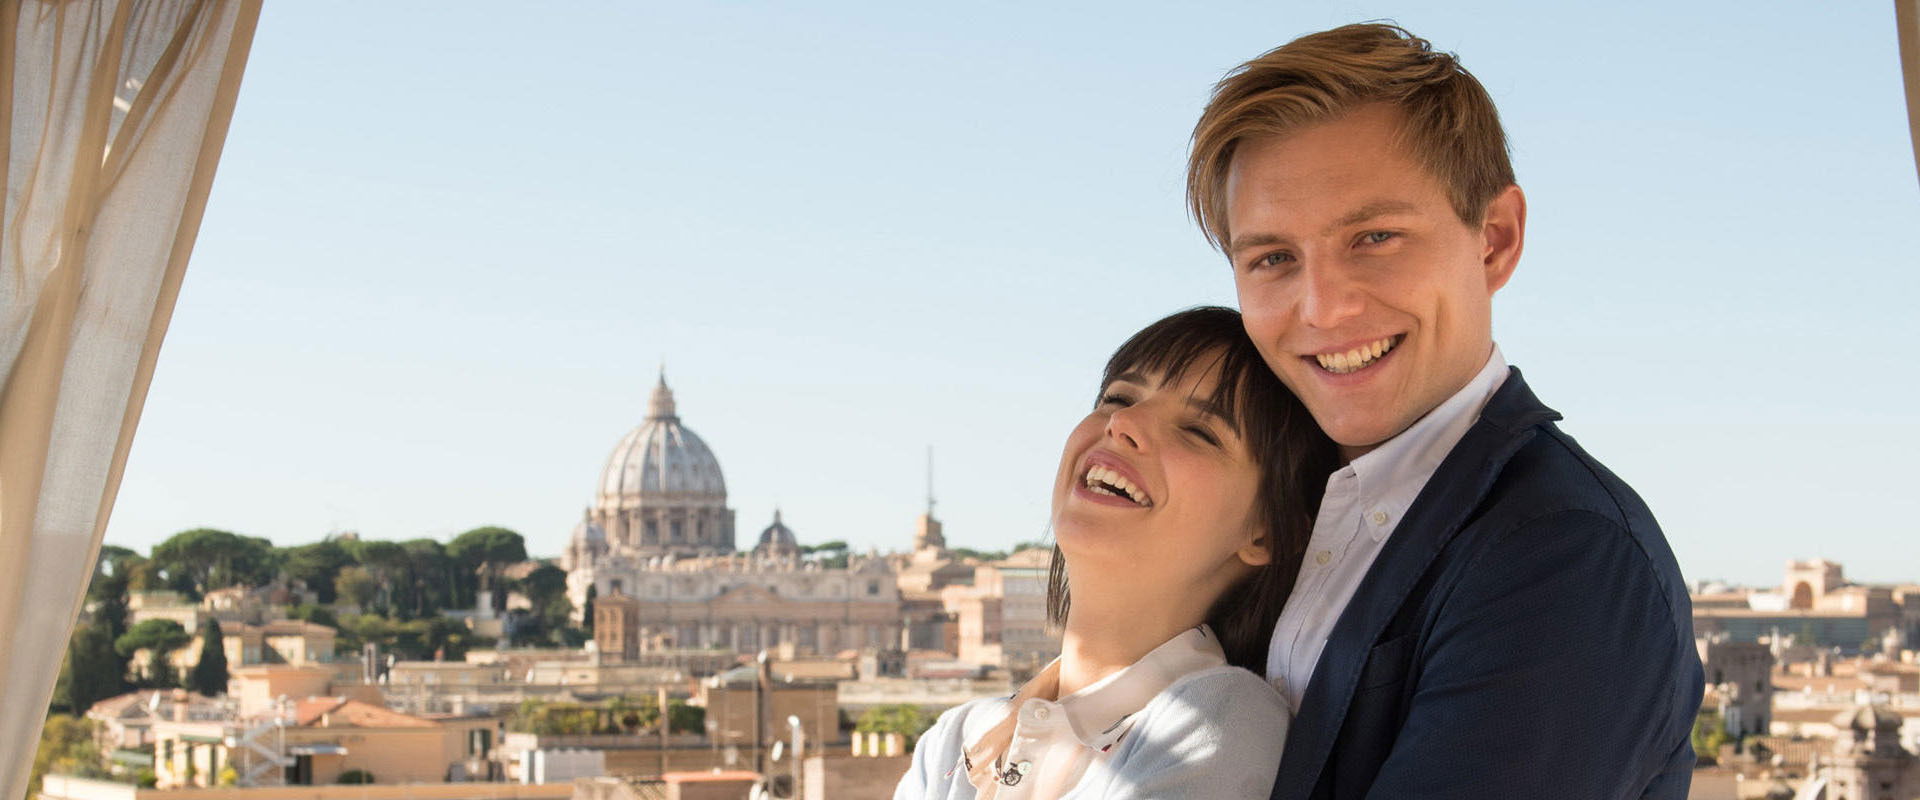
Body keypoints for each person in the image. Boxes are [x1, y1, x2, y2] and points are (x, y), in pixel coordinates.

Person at [1184, 24, 1705, 799]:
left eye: (1375, 237)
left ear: (1495, 240)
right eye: (1273, 259)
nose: (1322, 309)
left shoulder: (1566, 556)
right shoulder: (1272, 504)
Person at [895, 307, 1338, 799]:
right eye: (1118, 397)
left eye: (1198, 431)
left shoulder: (1221, 713)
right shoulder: (954, 739)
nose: (1123, 422)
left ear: (1265, 534)